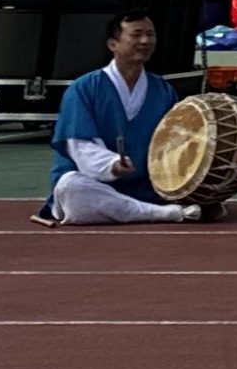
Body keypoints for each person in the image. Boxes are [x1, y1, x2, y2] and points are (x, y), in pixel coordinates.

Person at [38, 13, 208, 224]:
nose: (146, 41)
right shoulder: (84, 88)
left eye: (150, 35)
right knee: (70, 187)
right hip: (92, 182)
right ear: (113, 44)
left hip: (146, 186)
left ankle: (139, 208)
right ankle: (163, 213)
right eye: (136, 35)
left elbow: (174, 142)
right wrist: (111, 165)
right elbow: (79, 144)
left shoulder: (162, 90)